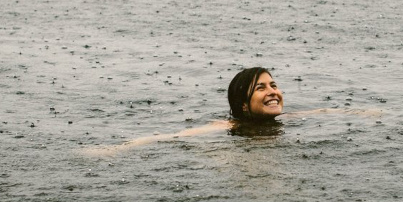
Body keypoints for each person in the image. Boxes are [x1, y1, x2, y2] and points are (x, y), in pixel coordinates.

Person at [80, 66, 378, 157]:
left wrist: (362, 113)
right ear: (244, 105)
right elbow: (174, 136)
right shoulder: (230, 127)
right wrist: (116, 149)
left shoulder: (288, 119)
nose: (273, 91)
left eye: (273, 84)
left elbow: (322, 111)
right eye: (261, 88)